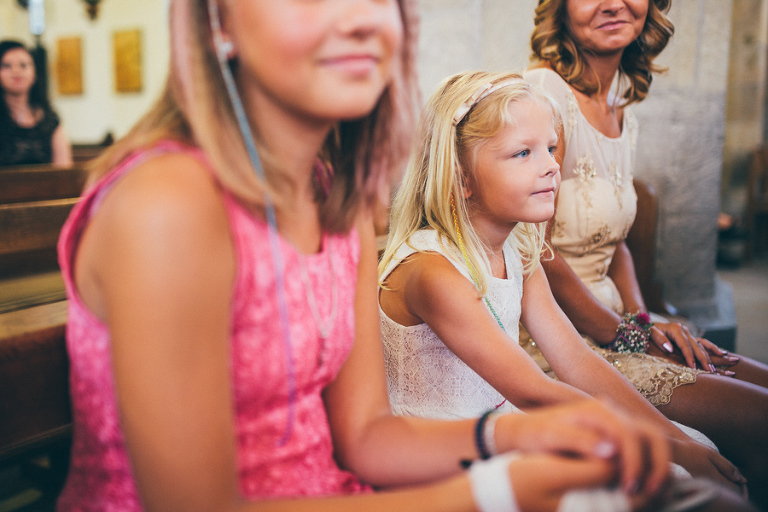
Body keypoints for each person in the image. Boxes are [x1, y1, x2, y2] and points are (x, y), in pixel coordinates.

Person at [53, 1, 684, 511]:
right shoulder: (169, 205)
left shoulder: (336, 199)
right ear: (217, 22)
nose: (360, 17)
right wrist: (491, 490)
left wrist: (517, 432)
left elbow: (366, 437)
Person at [377, 69, 761, 511]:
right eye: (523, 153)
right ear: (461, 178)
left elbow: (576, 359)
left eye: (552, 149)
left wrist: (673, 437)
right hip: (444, 451)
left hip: (504, 421)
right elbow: (531, 388)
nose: (551, 166)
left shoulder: (520, 246)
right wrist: (673, 450)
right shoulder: (433, 271)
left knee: (694, 450)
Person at [523, 0, 768, 506]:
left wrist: (644, 315)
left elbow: (616, 245)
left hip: (618, 320)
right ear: (561, 9)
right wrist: (634, 335)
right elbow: (535, 250)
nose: (614, 3)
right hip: (556, 335)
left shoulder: (620, 102)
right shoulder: (545, 93)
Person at [0, 40, 71, 166]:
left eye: (23, 65)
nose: (16, 72)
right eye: (6, 66)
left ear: (34, 73)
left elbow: (63, 170)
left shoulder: (49, 120)